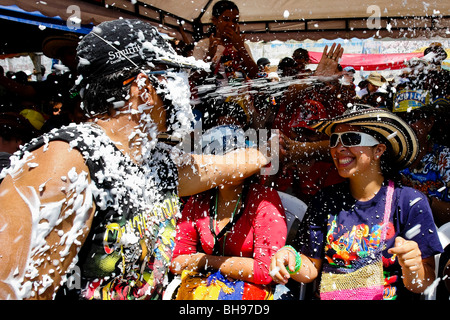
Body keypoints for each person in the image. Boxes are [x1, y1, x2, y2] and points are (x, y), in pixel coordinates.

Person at [0, 19, 272, 300]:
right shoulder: (65, 161)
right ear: (143, 85)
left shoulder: (154, 161)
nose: (183, 91)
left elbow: (227, 165)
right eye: (172, 75)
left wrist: (272, 149)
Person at [270, 105, 443, 300]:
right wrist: (291, 259)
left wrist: (414, 267)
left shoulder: (409, 202)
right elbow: (310, 268)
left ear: (378, 150)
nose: (339, 148)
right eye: (334, 140)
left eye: (351, 139)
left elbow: (424, 284)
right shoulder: (324, 200)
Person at [170, 125, 286, 299]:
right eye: (221, 158)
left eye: (234, 156)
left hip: (252, 291)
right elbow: (176, 261)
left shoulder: (264, 199)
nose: (230, 165)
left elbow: (266, 270)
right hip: (205, 289)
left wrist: (205, 261)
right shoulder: (197, 201)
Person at [392, 100, 450, 227]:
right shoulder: (391, 158)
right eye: (400, 119)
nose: (406, 125)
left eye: (413, 118)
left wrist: (423, 201)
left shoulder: (444, 158)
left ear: (429, 123)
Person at [192, 0, 258, 82]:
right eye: (226, 19)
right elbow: (194, 78)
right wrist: (209, 57)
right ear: (215, 21)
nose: (231, 24)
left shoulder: (242, 45)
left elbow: (254, 75)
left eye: (235, 21)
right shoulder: (203, 45)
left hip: (241, 94)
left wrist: (241, 49)